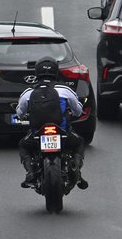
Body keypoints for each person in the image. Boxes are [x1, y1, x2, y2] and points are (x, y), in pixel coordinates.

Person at [15, 57, 88, 190]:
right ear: (55, 72)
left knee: (23, 145)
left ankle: (30, 172)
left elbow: (20, 112)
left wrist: (24, 114)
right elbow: (78, 111)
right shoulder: (65, 90)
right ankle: (75, 167)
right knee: (79, 142)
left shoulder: (28, 93)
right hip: (63, 132)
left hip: (37, 133)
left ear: (37, 73)